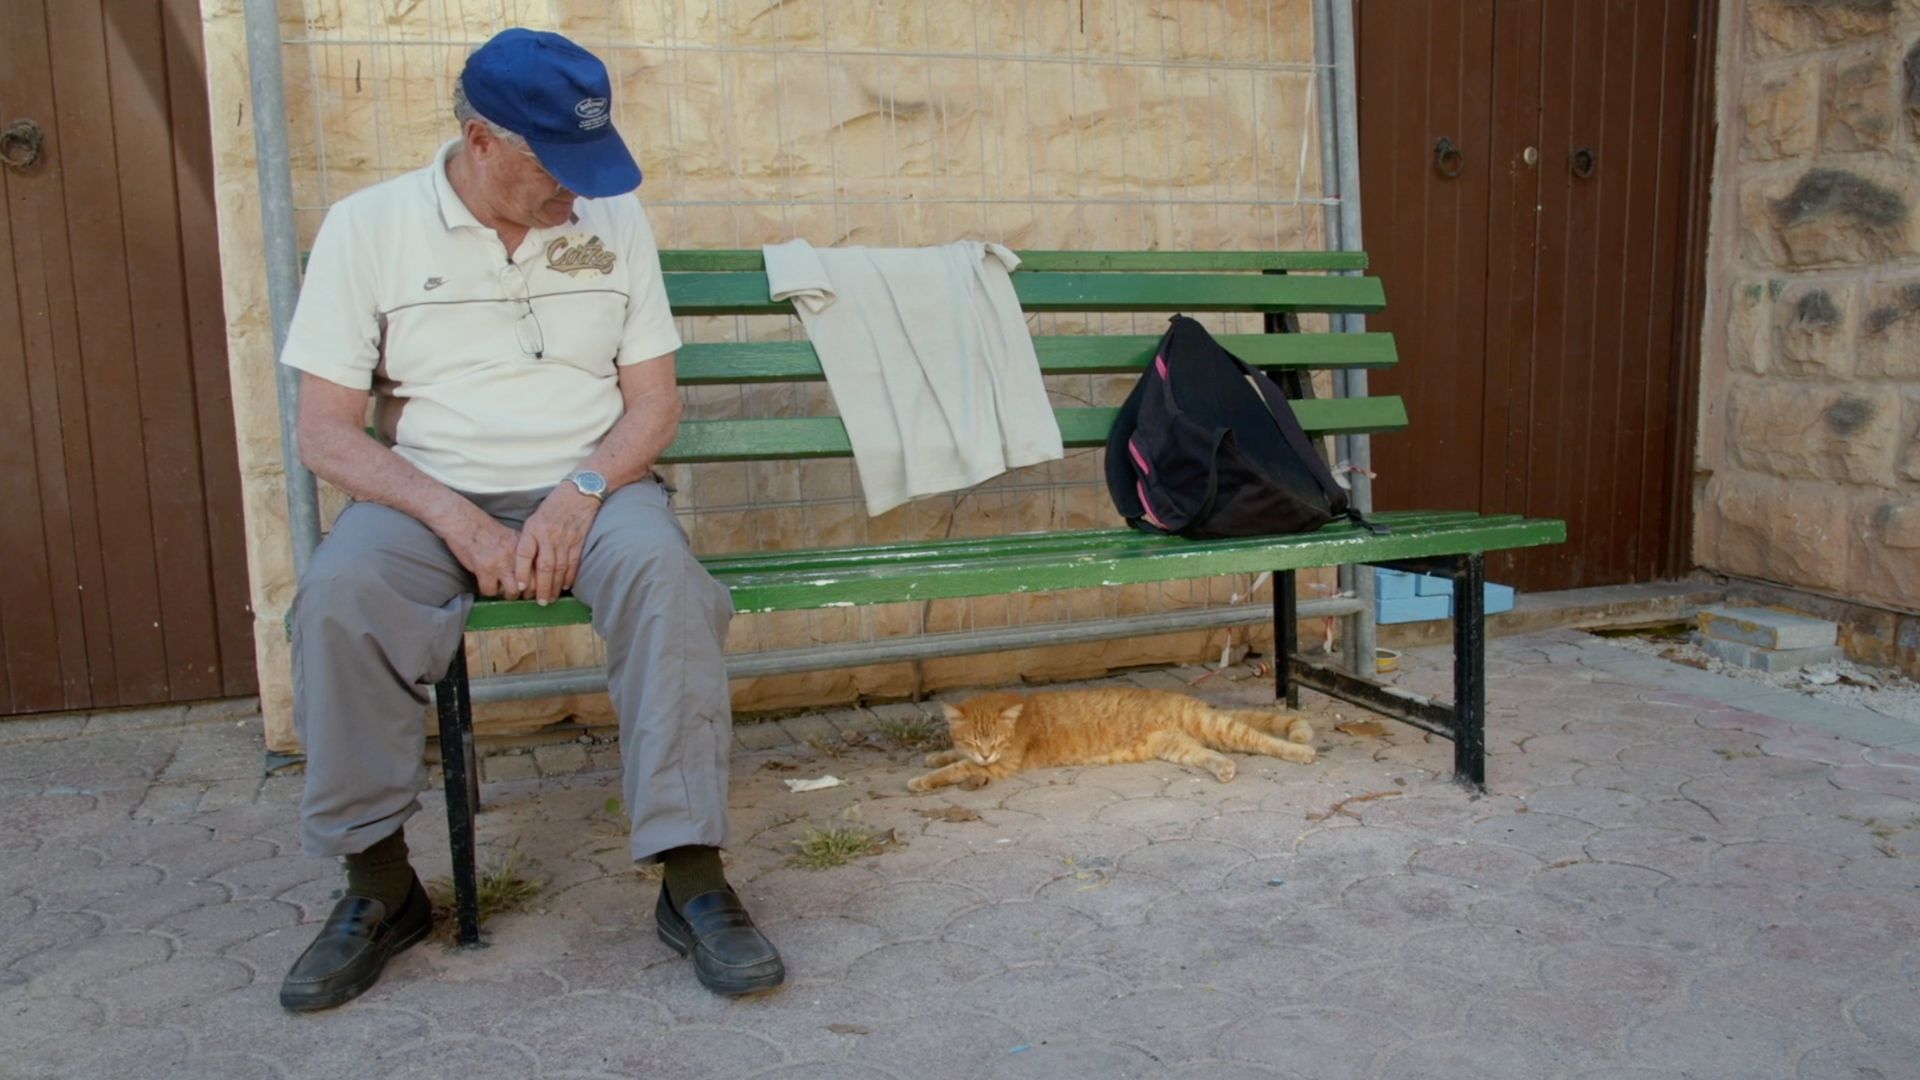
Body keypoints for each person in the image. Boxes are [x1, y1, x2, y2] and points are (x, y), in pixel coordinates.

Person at [275, 27, 782, 1012]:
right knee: (338, 598)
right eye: (558, 167)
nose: (578, 194)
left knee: (671, 586)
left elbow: (654, 404)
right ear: (482, 142)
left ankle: (692, 878)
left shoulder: (612, 217)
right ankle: (379, 887)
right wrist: (452, 517)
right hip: (425, 494)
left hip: (594, 485)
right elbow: (323, 433)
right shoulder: (367, 227)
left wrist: (582, 490)